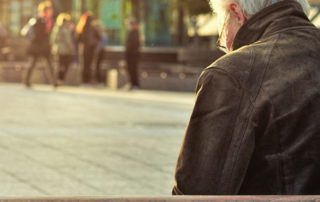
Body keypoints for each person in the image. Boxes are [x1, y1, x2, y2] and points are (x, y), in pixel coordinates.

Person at [173, 0, 320, 195]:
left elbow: (197, 192)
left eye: (222, 33)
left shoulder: (230, 74)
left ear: (236, 12)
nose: (226, 46)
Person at [24, 1, 56, 87]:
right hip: (38, 46)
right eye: (50, 10)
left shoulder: (48, 20)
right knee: (33, 63)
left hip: (44, 46)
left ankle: (54, 82)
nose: (51, 11)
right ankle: (26, 81)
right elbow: (38, 33)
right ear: (46, 11)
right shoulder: (39, 20)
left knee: (49, 63)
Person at [76, 12, 101, 85]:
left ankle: (87, 80)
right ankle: (85, 80)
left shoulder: (91, 28)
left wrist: (94, 43)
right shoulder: (82, 27)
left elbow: (99, 37)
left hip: (89, 49)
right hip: (85, 48)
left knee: (88, 65)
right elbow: (78, 39)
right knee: (85, 65)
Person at [51, 13, 75, 85]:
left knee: (59, 65)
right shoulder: (65, 29)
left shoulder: (56, 28)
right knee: (64, 65)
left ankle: (57, 80)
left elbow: (53, 40)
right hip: (64, 50)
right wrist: (72, 48)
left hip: (57, 49)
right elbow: (68, 41)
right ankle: (60, 80)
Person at [125, 18, 140, 90]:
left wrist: (129, 51)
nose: (128, 26)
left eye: (129, 24)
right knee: (130, 69)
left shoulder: (134, 32)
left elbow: (133, 44)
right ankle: (132, 83)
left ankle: (134, 84)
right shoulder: (133, 32)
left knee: (132, 69)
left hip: (132, 54)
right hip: (131, 54)